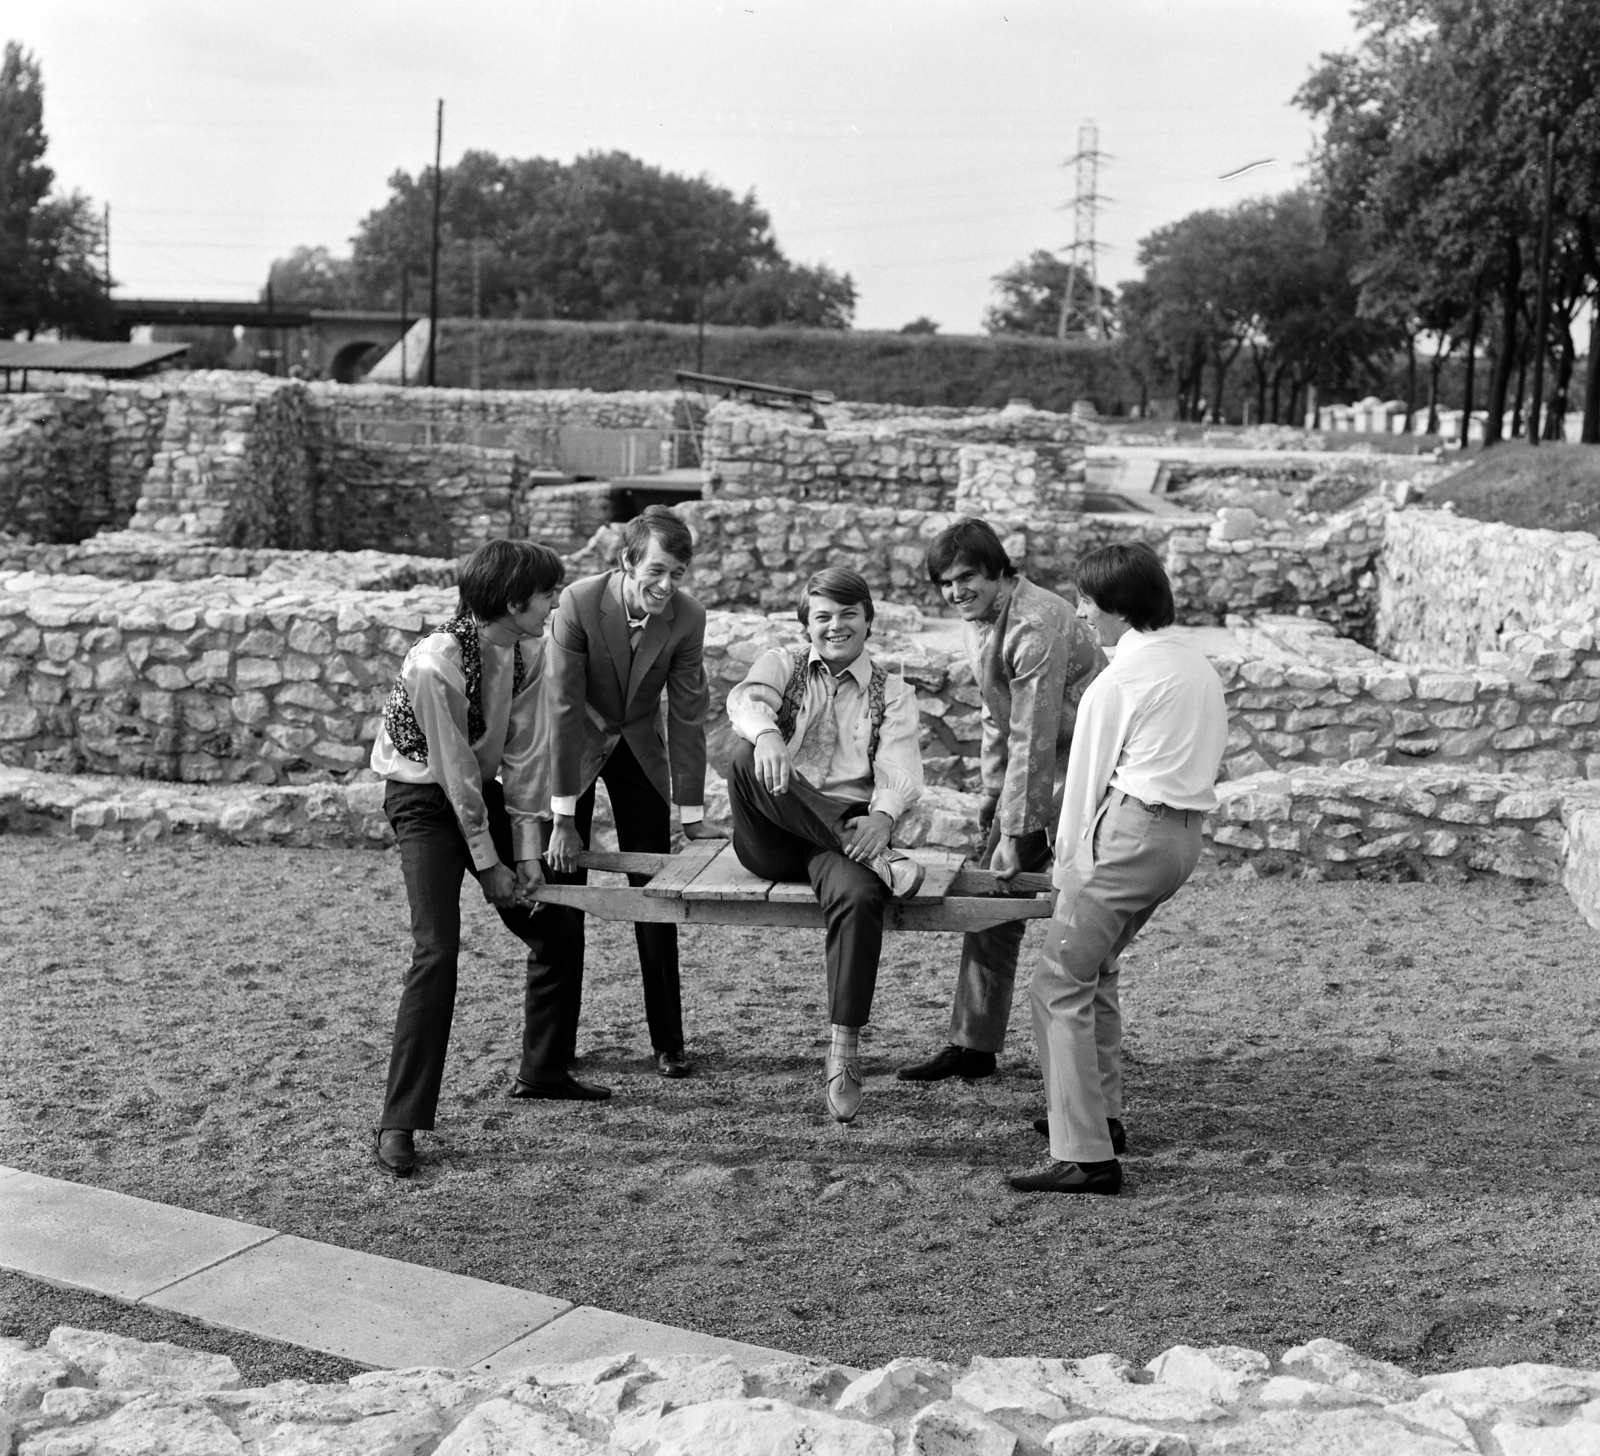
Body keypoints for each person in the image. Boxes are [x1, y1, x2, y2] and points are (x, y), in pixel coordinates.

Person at [373, 539, 598, 1181]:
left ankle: (543, 1071)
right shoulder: (435, 662)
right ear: (511, 601)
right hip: (423, 799)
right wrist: (490, 862)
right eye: (548, 593)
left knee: (554, 921)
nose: (557, 602)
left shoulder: (528, 649)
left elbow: (524, 754)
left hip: (480, 790)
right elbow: (451, 771)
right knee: (436, 951)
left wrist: (526, 854)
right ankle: (398, 1122)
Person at [1011, 541, 1227, 1196]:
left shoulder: (1120, 681)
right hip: (1180, 839)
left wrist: (1065, 870)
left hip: (1129, 836)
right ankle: (1098, 1116)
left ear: (1118, 608)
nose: (1080, 614)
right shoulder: (1195, 663)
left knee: (1057, 982)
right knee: (1094, 970)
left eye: (1086, 602)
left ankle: (1085, 1154)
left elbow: (1083, 784)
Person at [897, 518, 1105, 1084]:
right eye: (945, 583)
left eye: (967, 577)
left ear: (996, 570)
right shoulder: (984, 616)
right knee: (994, 901)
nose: (956, 591)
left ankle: (1080, 1071)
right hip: (1043, 766)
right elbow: (999, 712)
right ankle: (973, 1045)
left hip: (1086, 769)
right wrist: (992, 791)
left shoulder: (1034, 624)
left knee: (1070, 912)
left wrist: (1014, 834)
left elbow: (1033, 734)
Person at [724, 567, 926, 1123]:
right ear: (807, 624)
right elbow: (746, 703)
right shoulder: (781, 664)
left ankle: (844, 1052)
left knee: (860, 898)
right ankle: (868, 850)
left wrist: (882, 818)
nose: (836, 626)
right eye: (823, 616)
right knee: (743, 755)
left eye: (848, 614)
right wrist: (767, 734)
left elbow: (900, 768)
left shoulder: (894, 692)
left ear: (868, 620)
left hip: (848, 840)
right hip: (772, 828)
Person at [543, 506, 717, 1079]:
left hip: (640, 748)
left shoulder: (688, 618)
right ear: (626, 561)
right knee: (563, 894)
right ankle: (554, 1048)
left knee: (655, 892)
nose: (666, 586)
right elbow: (563, 708)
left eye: (677, 574)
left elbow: (687, 715)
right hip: (576, 741)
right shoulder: (578, 602)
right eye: (656, 571)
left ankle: (668, 1042)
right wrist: (563, 817)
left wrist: (691, 814)